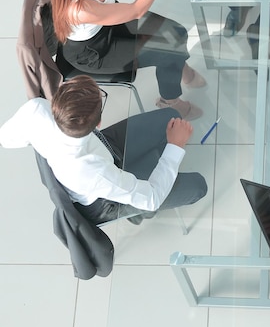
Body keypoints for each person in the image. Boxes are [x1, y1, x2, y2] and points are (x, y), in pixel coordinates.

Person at [0, 75, 207, 224]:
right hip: (103, 200)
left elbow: (5, 139)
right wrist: (175, 147)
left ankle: (140, 172)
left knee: (169, 117)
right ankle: (134, 211)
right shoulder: (94, 172)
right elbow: (152, 198)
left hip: (105, 148)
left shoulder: (36, 109)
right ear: (98, 122)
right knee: (198, 186)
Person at [50, 0, 206, 121]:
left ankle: (179, 66)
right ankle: (170, 100)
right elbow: (135, 10)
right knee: (170, 52)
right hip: (96, 51)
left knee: (177, 32)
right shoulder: (80, 8)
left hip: (108, 22)